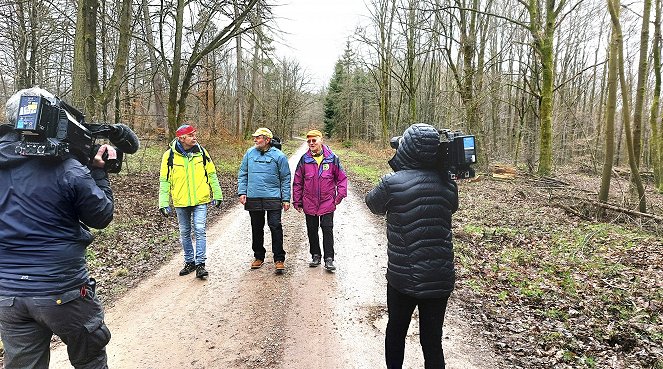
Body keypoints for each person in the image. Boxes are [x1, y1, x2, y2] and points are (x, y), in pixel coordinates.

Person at [0, 88, 115, 369]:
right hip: (62, 290)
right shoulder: (67, 169)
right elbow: (101, 216)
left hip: (8, 295)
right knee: (90, 360)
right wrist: (97, 171)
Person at [365, 123, 459, 369]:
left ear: (404, 149)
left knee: (396, 331)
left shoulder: (392, 183)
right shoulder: (448, 183)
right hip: (440, 277)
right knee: (432, 340)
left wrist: (394, 172)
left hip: (403, 278)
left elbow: (373, 205)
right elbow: (453, 206)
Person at [158, 124, 223, 279]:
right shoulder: (169, 156)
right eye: (191, 135)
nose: (195, 138)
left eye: (195, 134)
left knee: (200, 230)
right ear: (182, 138)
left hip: (201, 199)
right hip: (180, 201)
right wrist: (163, 202)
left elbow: (212, 174)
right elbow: (164, 180)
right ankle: (189, 262)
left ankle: (200, 264)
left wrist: (217, 194)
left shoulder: (201, 152)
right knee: (185, 233)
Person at [292, 129, 348, 271]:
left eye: (314, 140)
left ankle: (329, 258)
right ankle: (315, 255)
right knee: (312, 230)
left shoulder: (332, 158)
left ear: (321, 140)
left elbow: (342, 178)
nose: (311, 143)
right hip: (309, 202)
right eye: (309, 141)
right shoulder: (304, 159)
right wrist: (297, 201)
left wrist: (340, 195)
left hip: (327, 201)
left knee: (327, 229)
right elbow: (298, 181)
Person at [237, 127, 291, 272]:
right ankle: (258, 256)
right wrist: (242, 191)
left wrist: (286, 198)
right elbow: (243, 173)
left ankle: (279, 259)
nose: (255, 139)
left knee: (275, 226)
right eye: (255, 137)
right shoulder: (249, 153)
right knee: (256, 227)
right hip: (253, 196)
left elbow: (285, 178)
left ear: (267, 140)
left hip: (273, 196)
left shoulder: (279, 156)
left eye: (258, 137)